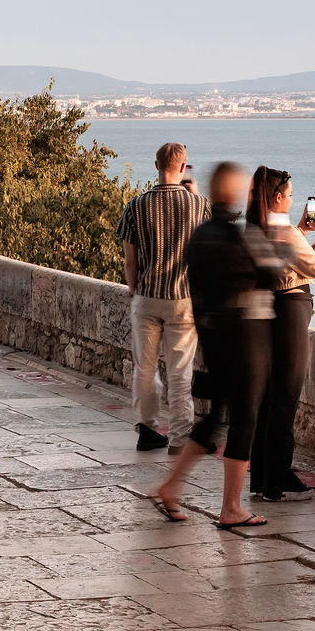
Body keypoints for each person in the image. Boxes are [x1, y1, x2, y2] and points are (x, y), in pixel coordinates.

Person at [151, 161, 286, 529]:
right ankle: (231, 508)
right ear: (232, 190)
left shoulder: (201, 235)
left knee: (216, 417)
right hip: (244, 340)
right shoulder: (234, 236)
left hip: (213, 338)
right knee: (244, 420)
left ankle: (170, 486)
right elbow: (271, 274)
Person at [118, 142, 209, 452]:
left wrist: (134, 290)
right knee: (180, 372)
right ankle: (180, 439)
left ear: (156, 166)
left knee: (144, 367)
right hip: (183, 299)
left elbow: (130, 261)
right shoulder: (199, 204)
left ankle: (147, 428)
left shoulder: (135, 206)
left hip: (146, 297)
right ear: (183, 168)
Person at [247, 167, 315, 503]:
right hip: (291, 312)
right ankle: (278, 481)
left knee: (268, 398)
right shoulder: (285, 234)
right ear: (278, 197)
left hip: (270, 313)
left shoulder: (256, 228)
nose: (293, 200)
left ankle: (262, 478)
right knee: (285, 397)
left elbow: (283, 253)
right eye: (291, 195)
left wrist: (300, 229)